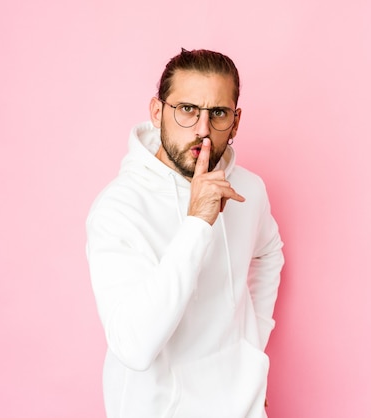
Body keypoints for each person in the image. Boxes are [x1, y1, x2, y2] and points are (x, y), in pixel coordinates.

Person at [86, 48, 284, 418]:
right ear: (158, 111)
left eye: (218, 113)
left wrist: (250, 353)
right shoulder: (118, 209)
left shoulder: (249, 189)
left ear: (236, 121)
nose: (203, 130)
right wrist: (197, 223)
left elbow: (269, 252)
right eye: (187, 109)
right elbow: (134, 347)